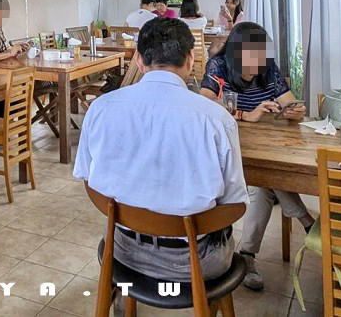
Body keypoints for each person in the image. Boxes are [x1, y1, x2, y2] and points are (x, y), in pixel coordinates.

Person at [74, 18, 247, 281]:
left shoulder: (101, 108)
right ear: (190, 59)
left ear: (139, 60)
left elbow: (89, 180)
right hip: (195, 261)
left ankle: (124, 296)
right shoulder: (216, 118)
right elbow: (234, 205)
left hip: (122, 249)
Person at [199, 21, 312, 291]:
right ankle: (307, 221)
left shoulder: (268, 69)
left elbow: (291, 103)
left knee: (263, 185)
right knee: (266, 181)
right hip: (227, 148)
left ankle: (248, 255)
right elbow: (203, 103)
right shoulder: (219, 67)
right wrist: (245, 115)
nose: (257, 61)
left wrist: (296, 110)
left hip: (264, 148)